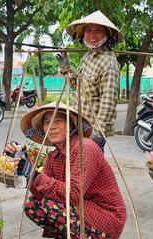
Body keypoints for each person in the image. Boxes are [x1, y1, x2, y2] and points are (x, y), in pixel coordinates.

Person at [4, 102, 126, 239]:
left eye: (58, 121)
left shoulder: (85, 147)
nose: (52, 126)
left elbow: (73, 193)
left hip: (106, 216)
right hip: (82, 210)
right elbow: (40, 193)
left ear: (71, 126)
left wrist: (34, 173)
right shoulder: (53, 156)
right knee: (32, 205)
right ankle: (66, 238)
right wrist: (25, 161)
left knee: (51, 205)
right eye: (47, 122)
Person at [56, 10, 123, 152]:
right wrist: (66, 68)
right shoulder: (87, 57)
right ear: (82, 34)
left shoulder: (108, 63)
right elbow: (78, 86)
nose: (92, 36)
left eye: (98, 31)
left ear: (107, 35)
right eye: (88, 30)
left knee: (88, 171)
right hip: (79, 126)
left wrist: (97, 136)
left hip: (93, 132)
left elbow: (108, 104)